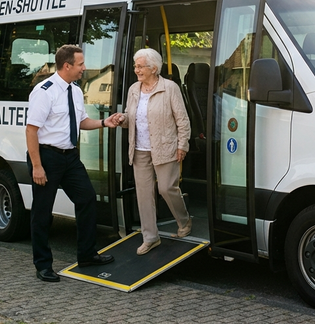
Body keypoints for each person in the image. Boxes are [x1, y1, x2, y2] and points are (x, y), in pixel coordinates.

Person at [25, 44, 124, 282]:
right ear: (67, 65)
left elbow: (81, 121)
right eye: (80, 64)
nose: (84, 68)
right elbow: (31, 130)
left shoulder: (76, 90)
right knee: (42, 212)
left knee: (87, 198)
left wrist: (104, 123)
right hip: (46, 157)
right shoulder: (44, 91)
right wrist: (37, 166)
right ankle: (43, 265)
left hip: (69, 156)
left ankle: (87, 254)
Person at [121, 48, 192, 255]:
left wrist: (182, 145)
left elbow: (182, 119)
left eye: (140, 66)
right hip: (140, 148)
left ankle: (185, 221)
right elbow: (129, 117)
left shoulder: (169, 88)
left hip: (165, 147)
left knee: (166, 189)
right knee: (143, 194)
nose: (136, 70)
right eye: (136, 66)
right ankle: (150, 237)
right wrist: (121, 119)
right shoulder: (134, 89)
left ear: (153, 68)